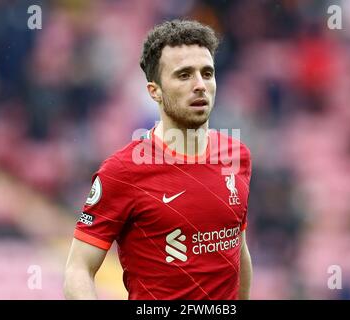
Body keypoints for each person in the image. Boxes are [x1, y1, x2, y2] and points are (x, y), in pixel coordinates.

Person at [64, 19, 253, 300]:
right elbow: (78, 268)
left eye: (207, 73)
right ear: (155, 91)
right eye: (184, 75)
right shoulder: (122, 171)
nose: (200, 85)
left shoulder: (237, 156)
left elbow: (238, 249)